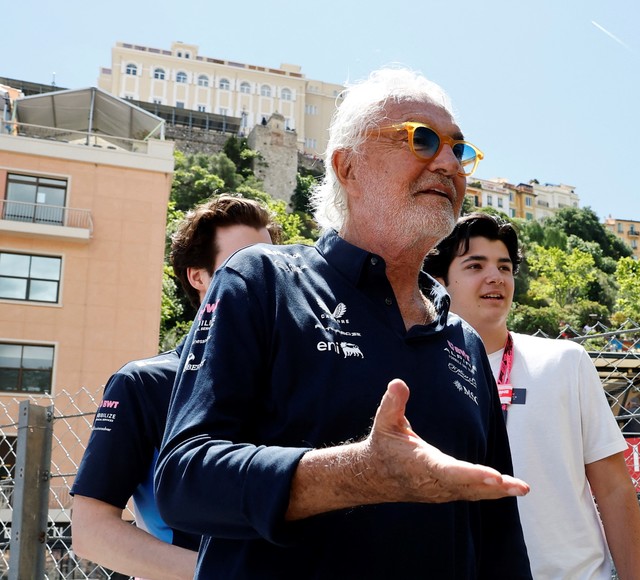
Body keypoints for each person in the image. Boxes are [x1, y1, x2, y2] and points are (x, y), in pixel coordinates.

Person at [154, 68, 531, 578]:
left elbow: (498, 536)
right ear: (347, 167)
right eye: (421, 140)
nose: (448, 163)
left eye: (458, 150)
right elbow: (184, 481)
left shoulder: (461, 338)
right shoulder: (261, 282)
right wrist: (357, 475)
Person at [423, 212, 640, 579]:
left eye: (505, 266)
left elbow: (614, 489)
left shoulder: (566, 360)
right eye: (475, 265)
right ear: (438, 282)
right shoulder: (419, 375)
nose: (495, 276)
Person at [71, 195, 281, 580]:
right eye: (242, 264)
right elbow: (91, 532)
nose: (260, 277)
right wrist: (222, 573)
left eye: (269, 265)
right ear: (197, 276)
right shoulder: (143, 383)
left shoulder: (293, 380)